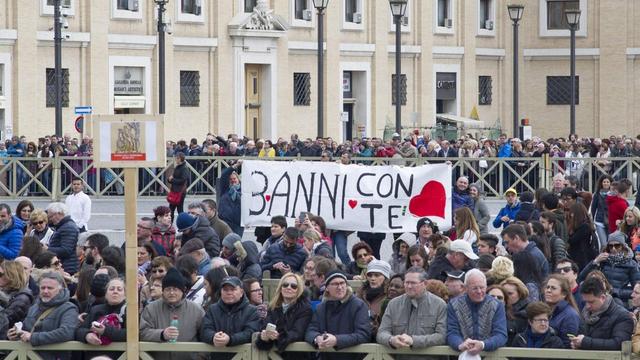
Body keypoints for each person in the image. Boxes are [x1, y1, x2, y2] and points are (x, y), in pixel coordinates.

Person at [377, 266, 447, 360]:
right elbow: (382, 332)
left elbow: (441, 336)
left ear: (425, 284)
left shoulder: (439, 305)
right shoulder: (393, 304)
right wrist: (391, 340)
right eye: (407, 282)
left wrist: (414, 341)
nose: (409, 286)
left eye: (413, 283)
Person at [7, 272, 78, 360]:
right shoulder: (34, 307)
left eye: (50, 288)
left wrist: (33, 337)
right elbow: (26, 330)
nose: (45, 291)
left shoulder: (69, 308)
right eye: (43, 288)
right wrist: (15, 334)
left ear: (60, 290)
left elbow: (66, 333)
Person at [140, 268, 205, 360]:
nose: (171, 293)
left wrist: (200, 357)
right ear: (163, 291)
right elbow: (142, 332)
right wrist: (162, 334)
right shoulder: (151, 308)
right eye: (168, 289)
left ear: (183, 290)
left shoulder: (197, 310)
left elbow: (205, 335)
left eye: (175, 289)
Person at [305, 270, 371, 360]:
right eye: (335, 284)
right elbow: (310, 330)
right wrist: (317, 338)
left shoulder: (358, 305)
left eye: (342, 283)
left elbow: (363, 335)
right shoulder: (321, 307)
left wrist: (336, 340)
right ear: (327, 288)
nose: (340, 287)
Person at [446, 269, 508, 356]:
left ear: (486, 287)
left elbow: (501, 335)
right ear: (466, 288)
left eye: (482, 287)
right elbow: (452, 332)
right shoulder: (453, 305)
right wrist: (460, 344)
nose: (479, 291)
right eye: (474, 288)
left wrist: (483, 345)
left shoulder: (497, 305)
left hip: (490, 356)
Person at [200, 276, 261, 360]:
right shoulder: (212, 309)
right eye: (225, 290)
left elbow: (250, 333)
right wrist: (213, 337)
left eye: (233, 289)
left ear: (241, 292)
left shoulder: (252, 311)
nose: (229, 293)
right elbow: (205, 330)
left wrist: (230, 339)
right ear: (221, 292)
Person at [255, 273, 312, 359]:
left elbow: (297, 333)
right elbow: (264, 327)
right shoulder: (272, 307)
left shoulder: (306, 309)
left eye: (293, 286)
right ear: (280, 288)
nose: (288, 288)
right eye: (285, 285)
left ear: (299, 290)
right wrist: (264, 337)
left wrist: (279, 336)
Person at [570, 277, 634, 350]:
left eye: (591, 302)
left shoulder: (622, 316)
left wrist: (585, 342)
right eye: (585, 302)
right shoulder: (585, 313)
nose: (587, 306)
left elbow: (619, 344)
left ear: (603, 298)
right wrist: (576, 343)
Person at [578, 231, 640, 303]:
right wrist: (595, 262)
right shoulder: (603, 260)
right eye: (611, 246)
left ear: (623, 246)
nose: (613, 249)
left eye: (617, 245)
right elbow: (581, 277)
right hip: (600, 299)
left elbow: (637, 289)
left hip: (619, 302)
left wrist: (616, 292)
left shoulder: (631, 264)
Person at [75, 278, 126, 357]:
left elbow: (131, 334)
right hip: (95, 355)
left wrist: (105, 331)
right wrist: (87, 335)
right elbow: (79, 330)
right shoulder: (95, 309)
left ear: (125, 295)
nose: (115, 291)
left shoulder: (129, 311)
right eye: (111, 289)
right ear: (106, 294)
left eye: (119, 289)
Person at [543, 274, 580, 348]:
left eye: (553, 288)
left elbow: (567, 346)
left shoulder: (570, 315)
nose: (548, 290)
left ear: (564, 294)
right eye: (547, 287)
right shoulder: (543, 311)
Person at [0, 260, 34, 339]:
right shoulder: (5, 293)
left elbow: (4, 323)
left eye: (1, 274)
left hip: (12, 344)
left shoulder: (22, 298)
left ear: (11, 276)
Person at [357, 260, 391, 338]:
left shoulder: (389, 296)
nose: (372, 278)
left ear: (385, 277)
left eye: (377, 275)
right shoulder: (360, 293)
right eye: (370, 275)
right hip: (361, 335)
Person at [45, 202, 79, 275]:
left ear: (59, 213)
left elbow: (66, 250)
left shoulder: (68, 227)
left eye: (51, 217)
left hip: (67, 267)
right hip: (66, 266)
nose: (50, 220)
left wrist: (47, 249)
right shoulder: (64, 226)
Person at [566, 203, 596, 270]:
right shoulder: (584, 226)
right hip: (580, 256)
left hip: (582, 257)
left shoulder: (584, 227)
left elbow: (572, 240)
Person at [500, 276, 530, 344]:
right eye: (503, 293)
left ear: (520, 294)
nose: (506, 296)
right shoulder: (498, 310)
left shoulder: (528, 311)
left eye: (510, 293)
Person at [218, 160, 243, 236]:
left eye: (234, 179)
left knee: (236, 244)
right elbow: (224, 175)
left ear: (238, 179)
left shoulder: (244, 190)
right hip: (224, 221)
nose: (233, 181)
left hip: (238, 223)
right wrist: (235, 165)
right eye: (230, 179)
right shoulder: (225, 189)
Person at [591, 175, 613, 247]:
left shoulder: (613, 195)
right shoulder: (597, 194)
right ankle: (602, 257)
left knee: (610, 243)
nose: (606, 183)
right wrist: (591, 221)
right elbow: (593, 209)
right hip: (599, 221)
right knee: (604, 244)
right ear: (601, 183)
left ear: (610, 183)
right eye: (604, 182)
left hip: (611, 221)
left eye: (607, 182)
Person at [168, 152, 189, 222]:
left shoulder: (184, 168)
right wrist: (170, 180)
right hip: (174, 190)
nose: (175, 160)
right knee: (171, 209)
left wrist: (172, 180)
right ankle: (170, 225)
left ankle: (182, 225)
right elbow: (173, 177)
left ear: (179, 159)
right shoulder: (177, 167)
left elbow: (183, 180)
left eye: (176, 158)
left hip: (180, 192)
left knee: (179, 209)